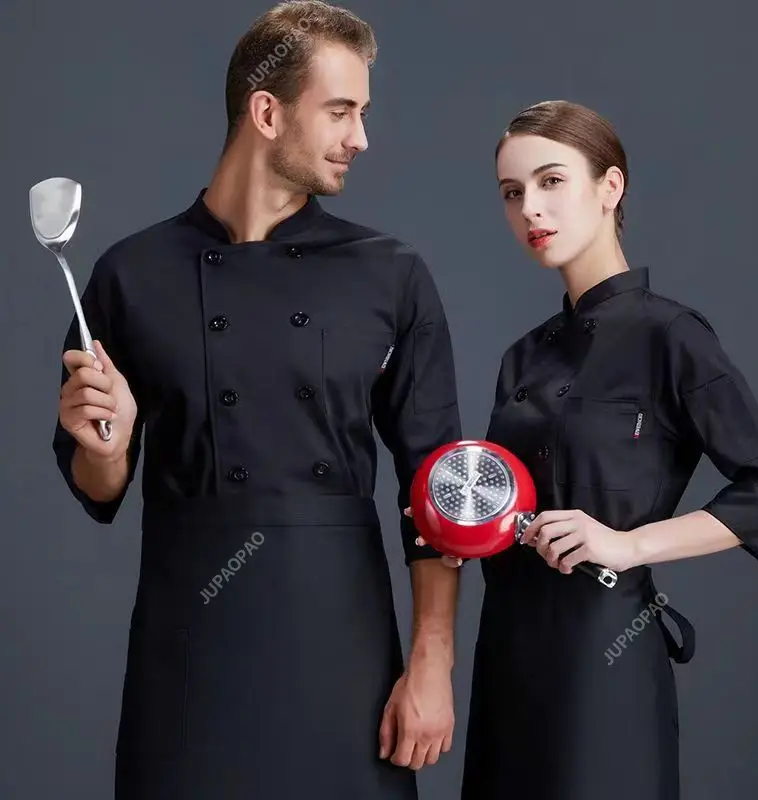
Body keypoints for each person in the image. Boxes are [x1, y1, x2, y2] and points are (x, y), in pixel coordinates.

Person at [52, 3, 462, 798]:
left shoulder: (390, 272)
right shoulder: (128, 275)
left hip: (344, 647)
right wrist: (103, 449)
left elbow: (436, 489)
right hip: (192, 647)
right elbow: (99, 485)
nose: (361, 139)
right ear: (267, 112)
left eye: (363, 113)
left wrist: (432, 663)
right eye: (341, 112)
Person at [412, 99, 758, 799]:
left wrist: (630, 545)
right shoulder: (522, 356)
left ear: (609, 187)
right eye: (512, 192)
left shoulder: (670, 335)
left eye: (551, 181)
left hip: (605, 657)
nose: (531, 208)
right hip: (508, 654)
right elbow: (502, 505)